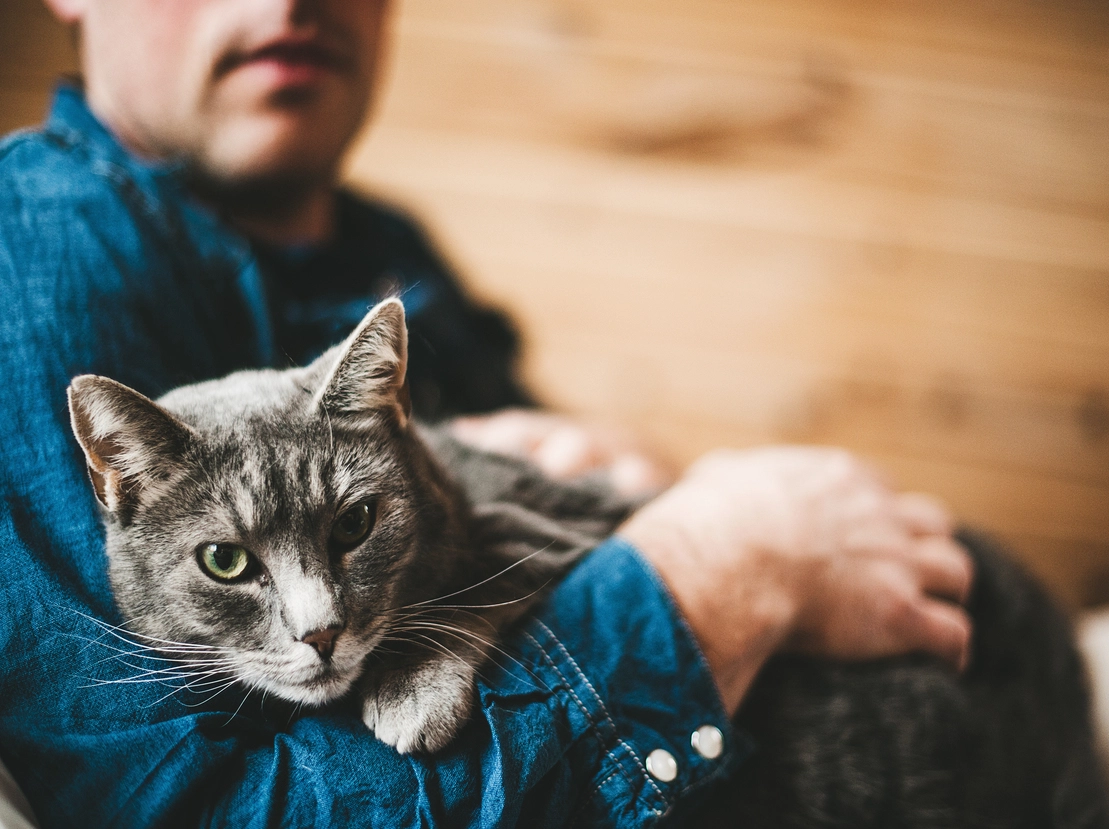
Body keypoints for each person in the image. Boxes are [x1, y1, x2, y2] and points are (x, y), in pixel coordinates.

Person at [0, 0, 973, 825]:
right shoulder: (31, 257)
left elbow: (557, 527)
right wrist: (726, 571)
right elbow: (208, 806)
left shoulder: (387, 249)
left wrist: (633, 470)